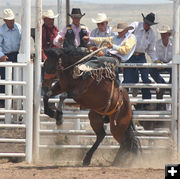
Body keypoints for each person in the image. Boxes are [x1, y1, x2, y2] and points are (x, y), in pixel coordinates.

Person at [124, 12, 158, 110]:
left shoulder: (151, 33)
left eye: (149, 24)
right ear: (143, 21)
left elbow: (151, 50)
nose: (147, 25)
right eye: (146, 23)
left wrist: (155, 60)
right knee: (127, 79)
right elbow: (126, 35)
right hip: (130, 55)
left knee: (145, 78)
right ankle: (123, 101)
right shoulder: (135, 25)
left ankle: (147, 101)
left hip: (141, 56)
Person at [0, 8, 21, 108]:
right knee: (6, 79)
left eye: (12, 20)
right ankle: (5, 103)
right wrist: (1, 55)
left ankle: (16, 102)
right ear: (5, 21)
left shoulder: (19, 28)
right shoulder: (1, 30)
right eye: (9, 20)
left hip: (17, 55)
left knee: (18, 79)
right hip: (6, 56)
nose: (12, 22)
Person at [149, 25, 172, 108]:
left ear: (168, 35)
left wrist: (168, 64)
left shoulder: (174, 44)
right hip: (161, 63)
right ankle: (163, 84)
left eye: (164, 34)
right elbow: (154, 55)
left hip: (170, 64)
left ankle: (169, 85)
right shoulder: (157, 44)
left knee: (174, 70)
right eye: (162, 34)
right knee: (151, 70)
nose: (163, 35)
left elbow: (176, 56)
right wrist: (158, 62)